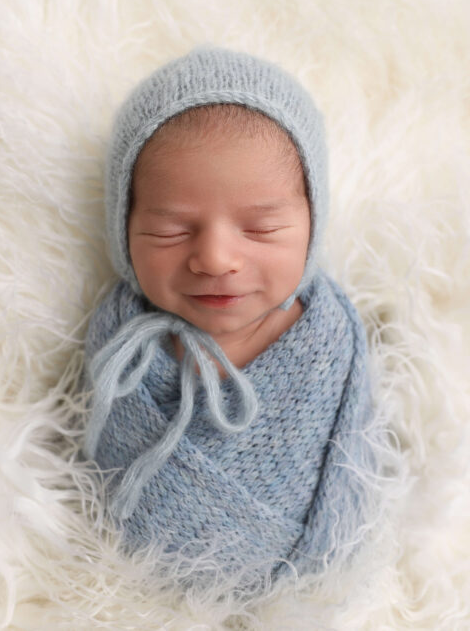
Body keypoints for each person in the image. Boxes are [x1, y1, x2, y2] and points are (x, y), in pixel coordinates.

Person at [83, 47, 376, 594]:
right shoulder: (119, 340)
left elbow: (353, 464)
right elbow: (88, 465)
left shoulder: (328, 341)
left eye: (261, 230)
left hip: (296, 593)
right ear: (123, 227)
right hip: (131, 593)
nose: (216, 259)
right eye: (172, 230)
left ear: (313, 227)